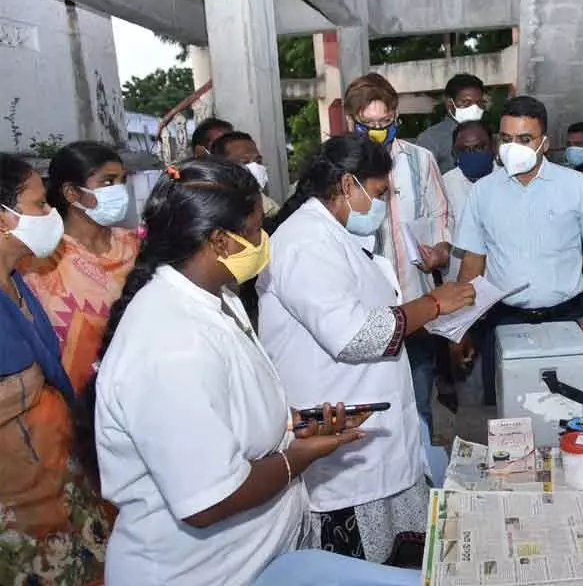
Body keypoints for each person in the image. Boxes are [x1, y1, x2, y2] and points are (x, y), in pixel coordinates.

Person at [93, 157, 417, 585]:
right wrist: (297, 458)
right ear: (220, 242)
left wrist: (301, 426)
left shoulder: (216, 298)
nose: (266, 240)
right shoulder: (169, 345)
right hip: (202, 573)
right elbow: (208, 500)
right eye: (254, 230)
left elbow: (228, 415)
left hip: (260, 557)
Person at [258, 135, 475, 562]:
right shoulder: (305, 241)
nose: (383, 204)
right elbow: (355, 335)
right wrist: (433, 304)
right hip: (342, 444)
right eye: (378, 193)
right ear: (346, 185)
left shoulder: (333, 234)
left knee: (401, 555)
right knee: (360, 563)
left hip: (370, 432)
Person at [453, 95, 583, 405]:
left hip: (568, 319)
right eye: (506, 138)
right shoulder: (483, 191)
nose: (513, 147)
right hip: (503, 320)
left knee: (569, 416)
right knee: (510, 422)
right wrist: (462, 327)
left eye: (524, 139)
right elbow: (472, 262)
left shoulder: (577, 186)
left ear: (544, 143)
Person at [0, 153, 110, 585]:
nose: (49, 214)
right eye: (39, 204)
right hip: (18, 511)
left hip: (63, 484)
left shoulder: (18, 281)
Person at [345, 73, 452, 432]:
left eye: (385, 122)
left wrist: (440, 249)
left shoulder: (420, 161)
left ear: (396, 117)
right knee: (375, 409)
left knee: (419, 402)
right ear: (353, 121)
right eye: (368, 124)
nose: (378, 130)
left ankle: (422, 471)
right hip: (365, 309)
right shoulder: (340, 168)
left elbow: (441, 215)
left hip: (415, 301)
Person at [20, 142, 139, 399]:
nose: (119, 190)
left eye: (122, 180)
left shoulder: (137, 246)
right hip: (71, 404)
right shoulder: (40, 262)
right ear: (72, 193)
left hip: (140, 389)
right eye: (108, 182)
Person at [442, 120, 496, 283]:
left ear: (492, 147)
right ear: (454, 153)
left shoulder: (508, 180)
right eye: (464, 150)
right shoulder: (445, 184)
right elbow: (442, 231)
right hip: (460, 277)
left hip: (500, 279)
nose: (472, 154)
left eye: (479, 147)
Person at [416, 73, 487, 173]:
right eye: (466, 102)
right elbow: (422, 178)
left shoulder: (485, 134)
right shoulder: (430, 139)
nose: (475, 108)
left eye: (479, 103)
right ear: (450, 103)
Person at [211, 131, 282, 219]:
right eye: (244, 162)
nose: (255, 167)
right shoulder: (212, 214)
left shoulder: (268, 206)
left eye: (258, 161)